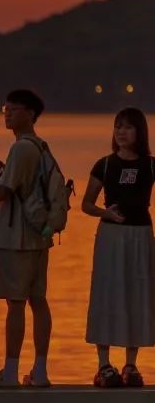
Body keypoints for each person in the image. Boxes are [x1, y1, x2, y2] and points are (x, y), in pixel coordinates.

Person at [0, 89, 54, 388]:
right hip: (39, 236)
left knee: (16, 303)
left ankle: (10, 372)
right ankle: (40, 370)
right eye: (5, 109)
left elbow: (3, 192)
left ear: (30, 114)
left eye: (14, 109)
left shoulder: (21, 148)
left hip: (16, 237)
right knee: (39, 300)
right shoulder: (41, 146)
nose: (7, 114)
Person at [81, 108, 155, 387]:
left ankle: (131, 365)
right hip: (111, 236)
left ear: (140, 131)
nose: (121, 132)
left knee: (138, 293)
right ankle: (104, 365)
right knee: (107, 293)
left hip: (141, 234)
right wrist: (106, 213)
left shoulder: (150, 165)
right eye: (117, 127)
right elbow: (86, 204)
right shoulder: (105, 165)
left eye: (127, 127)